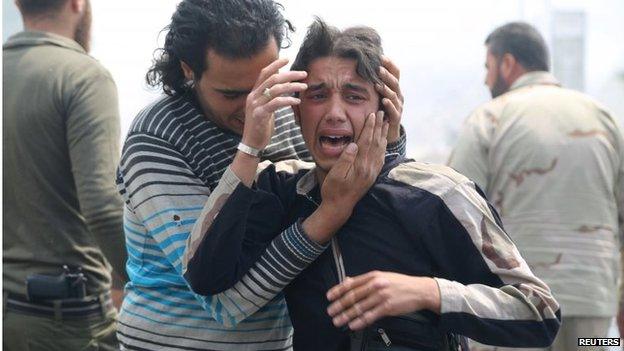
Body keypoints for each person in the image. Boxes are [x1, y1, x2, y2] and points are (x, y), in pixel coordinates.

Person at [183, 19, 561, 351]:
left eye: (354, 96)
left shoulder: (436, 193)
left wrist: (428, 292)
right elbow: (204, 275)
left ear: (383, 109)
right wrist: (250, 145)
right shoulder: (282, 189)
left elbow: (539, 312)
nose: (334, 112)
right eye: (317, 95)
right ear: (296, 109)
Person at [114, 1, 406, 350]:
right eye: (232, 94)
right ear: (188, 70)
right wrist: (327, 212)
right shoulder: (157, 138)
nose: (253, 104)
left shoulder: (283, 111)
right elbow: (227, 303)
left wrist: (387, 138)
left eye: (265, 83)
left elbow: (351, 190)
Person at [448, 22, 623, 351]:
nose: (486, 79)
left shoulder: (490, 118)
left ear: (507, 64)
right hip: (593, 306)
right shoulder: (604, 119)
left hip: (518, 310)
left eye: (488, 67)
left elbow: (454, 214)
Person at [3, 0, 127, 350]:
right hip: (63, 320)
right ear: (78, 3)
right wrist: (151, 284)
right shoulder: (83, 76)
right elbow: (103, 208)